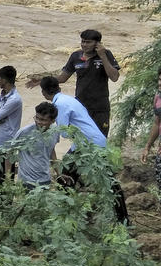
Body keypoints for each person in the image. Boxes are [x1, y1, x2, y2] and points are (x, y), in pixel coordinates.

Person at [40, 76, 128, 223]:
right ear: (58, 87)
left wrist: (50, 127)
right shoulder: (67, 99)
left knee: (66, 177)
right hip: (91, 142)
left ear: (43, 92)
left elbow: (65, 132)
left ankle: (65, 218)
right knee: (107, 181)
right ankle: (120, 218)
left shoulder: (59, 105)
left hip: (88, 145)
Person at [26, 29, 120, 135]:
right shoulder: (76, 56)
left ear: (98, 43)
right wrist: (41, 80)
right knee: (79, 138)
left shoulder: (106, 54)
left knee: (99, 138)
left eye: (88, 42)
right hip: (80, 106)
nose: (84, 45)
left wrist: (102, 56)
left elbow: (114, 77)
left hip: (100, 107)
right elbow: (62, 78)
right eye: (82, 41)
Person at [10, 102, 60, 190]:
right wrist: (8, 178)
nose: (38, 122)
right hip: (26, 182)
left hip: (45, 181)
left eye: (43, 120)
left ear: (52, 121)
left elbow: (51, 151)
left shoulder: (55, 132)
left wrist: (59, 173)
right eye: (37, 118)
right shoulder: (24, 132)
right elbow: (9, 153)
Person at [0, 65, 22, 185]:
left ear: (4, 80)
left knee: (6, 176)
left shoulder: (15, 99)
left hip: (7, 143)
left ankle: (6, 202)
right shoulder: (2, 95)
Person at [139, 66, 161, 190]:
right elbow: (157, 123)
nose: (160, 83)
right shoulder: (158, 97)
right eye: (159, 79)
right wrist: (147, 147)